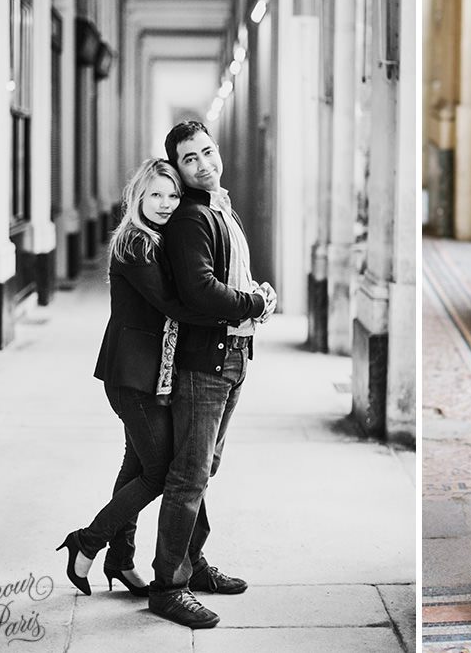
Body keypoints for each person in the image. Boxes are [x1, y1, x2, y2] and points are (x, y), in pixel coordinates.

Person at [57, 159, 267, 598]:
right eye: (155, 194)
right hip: (133, 379)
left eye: (172, 195)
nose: (166, 203)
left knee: (137, 465)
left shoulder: (159, 237)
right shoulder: (136, 244)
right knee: (162, 472)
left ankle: (120, 559)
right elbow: (178, 305)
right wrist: (248, 304)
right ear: (137, 197)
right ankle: (89, 540)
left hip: (155, 374)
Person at [146, 120, 277, 629]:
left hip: (233, 356)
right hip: (206, 363)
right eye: (189, 159)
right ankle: (168, 586)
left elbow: (232, 276)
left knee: (204, 470)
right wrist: (254, 302)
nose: (203, 163)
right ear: (177, 171)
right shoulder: (190, 219)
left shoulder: (221, 208)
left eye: (206, 151)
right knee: (188, 476)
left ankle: (192, 564)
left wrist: (256, 293)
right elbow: (200, 292)